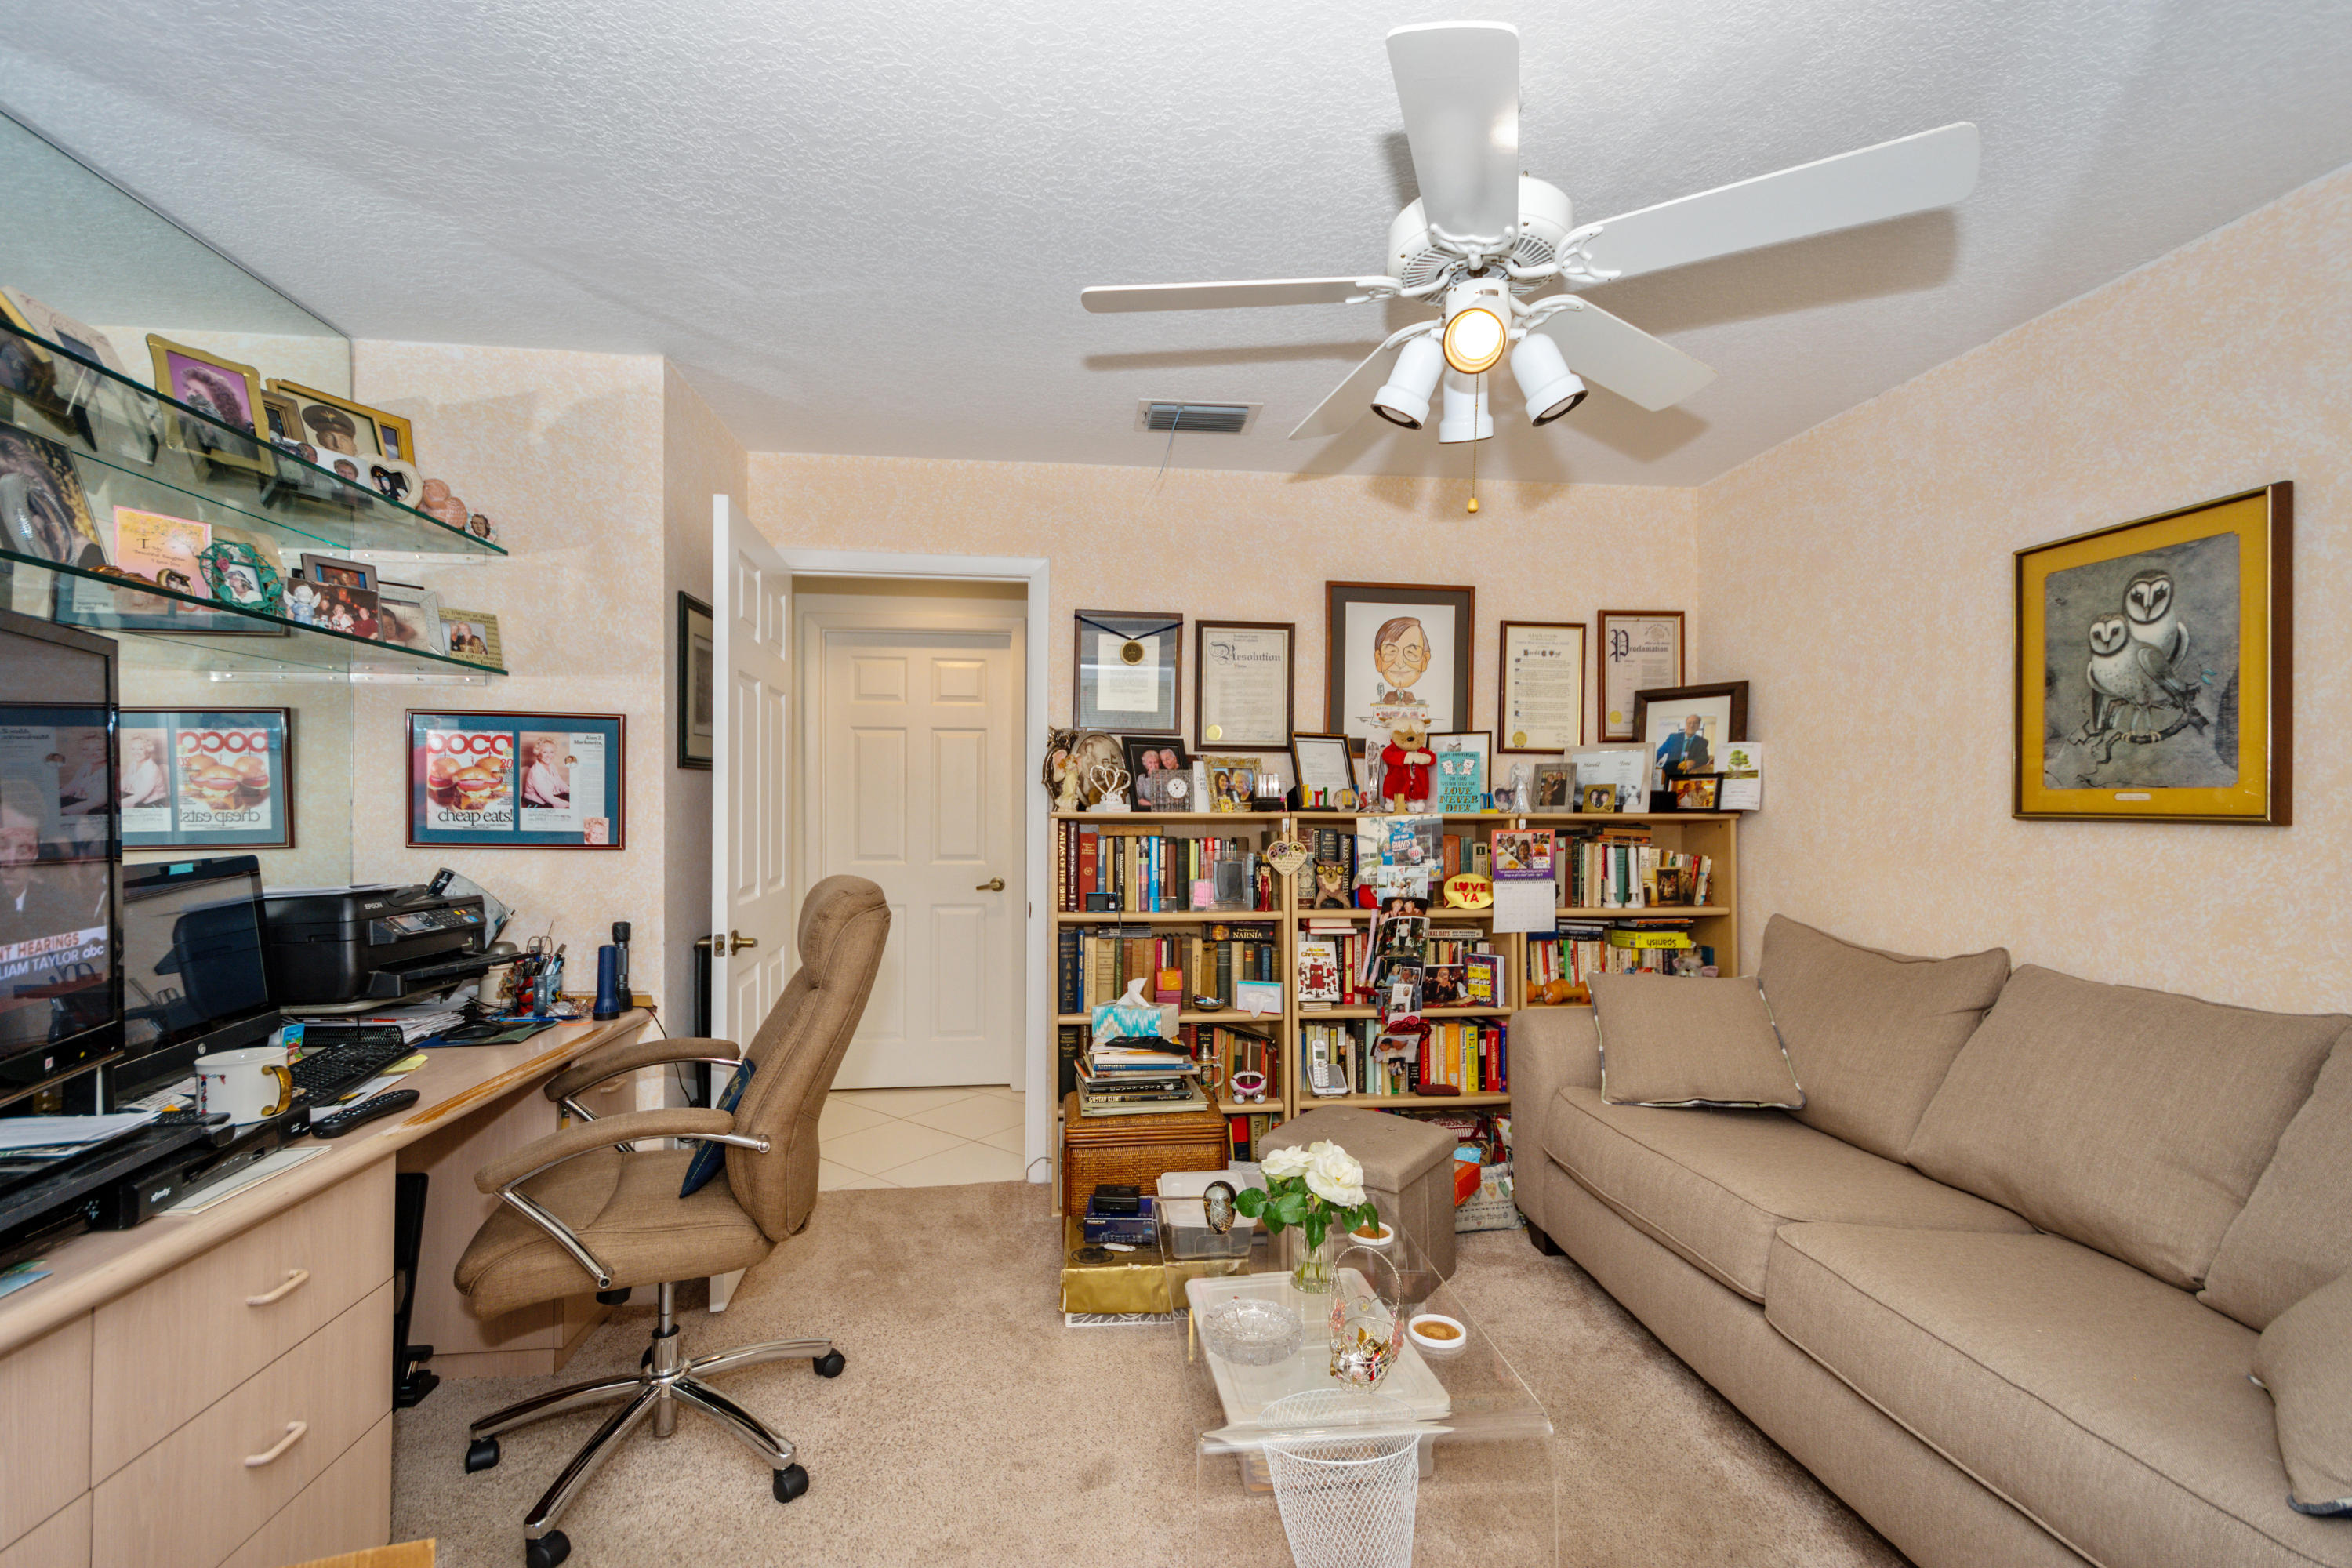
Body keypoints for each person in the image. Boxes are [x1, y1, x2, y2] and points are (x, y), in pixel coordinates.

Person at [1372, 615, 1432, 705]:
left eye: (1410, 652)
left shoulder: (1412, 698)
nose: (1400, 663)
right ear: (1378, 660)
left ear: (1425, 660)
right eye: (1391, 651)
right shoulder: (1387, 698)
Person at [120, 733, 168, 808]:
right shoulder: (134, 764)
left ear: (148, 750)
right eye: (133, 749)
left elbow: (140, 796)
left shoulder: (151, 769)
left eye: (141, 749)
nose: (136, 752)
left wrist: (120, 803)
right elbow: (124, 781)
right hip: (137, 798)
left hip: (152, 803)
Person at [1656, 714, 1711, 779]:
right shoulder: (1673, 738)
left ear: (1699, 726)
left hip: (1689, 775)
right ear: (1685, 725)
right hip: (1669, 774)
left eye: (1695, 723)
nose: (1692, 725)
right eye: (1689, 723)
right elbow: (1660, 752)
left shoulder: (1702, 742)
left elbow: (1705, 758)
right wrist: (1652, 765)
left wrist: (1694, 762)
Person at [522, 738, 571, 811]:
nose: (549, 756)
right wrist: (569, 805)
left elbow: (560, 783)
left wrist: (572, 792)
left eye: (552, 752)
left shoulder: (552, 766)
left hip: (550, 795)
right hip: (537, 802)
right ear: (538, 753)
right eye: (545, 752)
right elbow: (549, 798)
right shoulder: (536, 772)